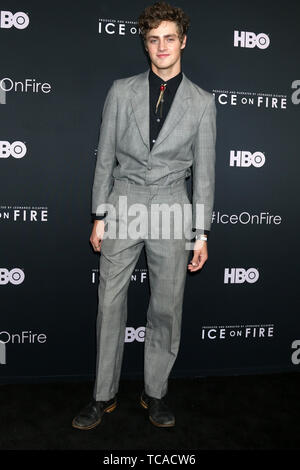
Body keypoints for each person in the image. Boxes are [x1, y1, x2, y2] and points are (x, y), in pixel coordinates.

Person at [72, 1, 216, 430]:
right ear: (146, 44)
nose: (162, 46)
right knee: (109, 304)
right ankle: (103, 396)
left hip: (174, 205)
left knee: (167, 308)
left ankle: (155, 393)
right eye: (154, 39)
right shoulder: (121, 91)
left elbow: (204, 175)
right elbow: (105, 158)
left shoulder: (203, 103)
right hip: (125, 202)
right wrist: (99, 213)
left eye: (170, 38)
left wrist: (201, 231)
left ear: (183, 42)